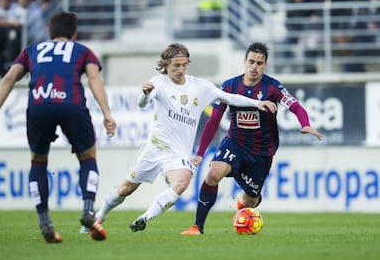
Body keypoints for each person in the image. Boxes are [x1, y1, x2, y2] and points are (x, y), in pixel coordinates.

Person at [80, 42, 277, 234]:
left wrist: (257, 103)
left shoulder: (200, 86)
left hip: (178, 154)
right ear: (166, 65)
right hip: (155, 147)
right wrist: (145, 94)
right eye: (176, 65)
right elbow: (143, 103)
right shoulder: (158, 82)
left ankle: (144, 218)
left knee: (181, 184)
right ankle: (99, 216)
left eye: (184, 65)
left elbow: (229, 97)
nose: (181, 69)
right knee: (125, 189)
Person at [0, 11, 116, 243]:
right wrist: (107, 113)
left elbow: (10, 77)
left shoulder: (32, 50)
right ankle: (89, 211)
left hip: (39, 105)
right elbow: (93, 78)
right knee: (87, 156)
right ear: (74, 33)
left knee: (38, 161)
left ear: (50, 32)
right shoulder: (82, 51)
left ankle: (45, 223)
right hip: (71, 104)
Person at [181, 42, 323, 235]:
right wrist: (199, 153)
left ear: (265, 65)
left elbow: (295, 105)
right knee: (213, 174)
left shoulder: (272, 87)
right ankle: (198, 226)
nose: (254, 66)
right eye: (251, 61)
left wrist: (305, 123)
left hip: (261, 152)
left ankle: (246, 201)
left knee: (250, 201)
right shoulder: (229, 86)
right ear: (244, 61)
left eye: (259, 63)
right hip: (235, 143)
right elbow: (214, 120)